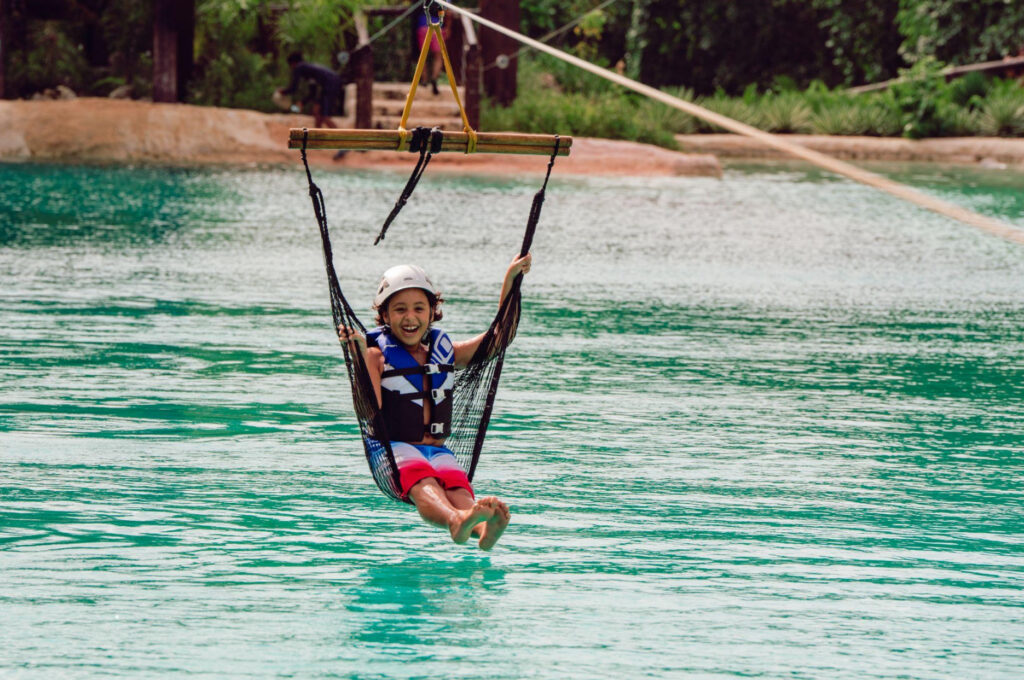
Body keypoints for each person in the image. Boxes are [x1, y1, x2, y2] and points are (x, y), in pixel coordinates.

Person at [337, 253, 532, 550]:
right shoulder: (375, 355)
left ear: (432, 313)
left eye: (419, 308)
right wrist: (359, 356)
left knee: (457, 487)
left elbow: (499, 338)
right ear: (385, 316)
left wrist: (511, 283)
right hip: (393, 451)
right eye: (400, 309)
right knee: (424, 482)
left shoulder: (445, 352)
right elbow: (368, 410)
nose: (410, 317)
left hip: (437, 450)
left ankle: (482, 529)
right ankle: (455, 520)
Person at [278, 51, 347, 159]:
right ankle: (317, 140)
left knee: (325, 117)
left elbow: (293, 88)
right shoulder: (308, 70)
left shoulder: (300, 67)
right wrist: (303, 102)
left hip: (331, 84)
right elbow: (312, 93)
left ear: (293, 63)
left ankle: (344, 143)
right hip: (331, 83)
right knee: (316, 110)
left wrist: (282, 92)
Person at [414, 8, 452, 95]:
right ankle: (434, 79)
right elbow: (448, 13)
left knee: (422, 56)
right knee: (438, 57)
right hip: (438, 28)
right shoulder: (444, 2)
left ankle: (424, 80)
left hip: (423, 26)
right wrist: (448, 27)